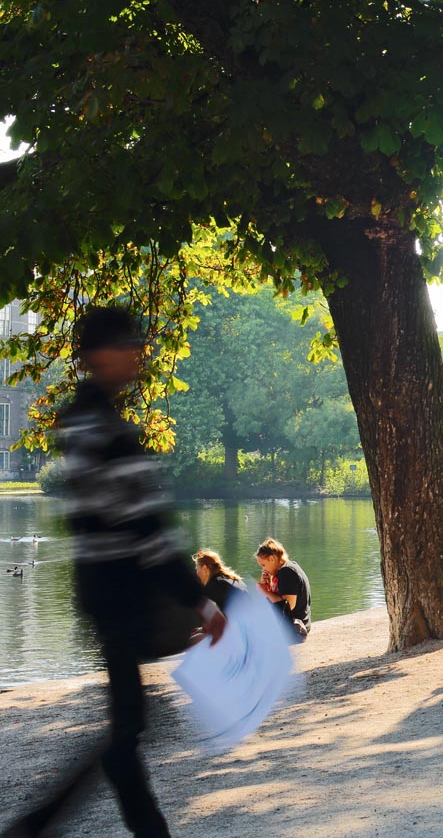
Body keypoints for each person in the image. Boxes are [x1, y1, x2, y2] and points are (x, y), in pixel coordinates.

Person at [4, 306, 225, 838]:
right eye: (128, 344)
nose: (138, 353)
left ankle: (42, 826)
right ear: (98, 354)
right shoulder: (107, 428)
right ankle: (36, 826)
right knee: (127, 728)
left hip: (101, 588)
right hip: (123, 593)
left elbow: (112, 521)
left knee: (129, 727)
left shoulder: (80, 420)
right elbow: (144, 528)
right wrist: (200, 599)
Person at [255, 538, 311, 642]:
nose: (263, 569)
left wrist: (265, 592)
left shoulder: (287, 572)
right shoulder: (287, 568)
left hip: (295, 630)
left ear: (272, 559)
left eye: (263, 565)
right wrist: (268, 586)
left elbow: (288, 606)